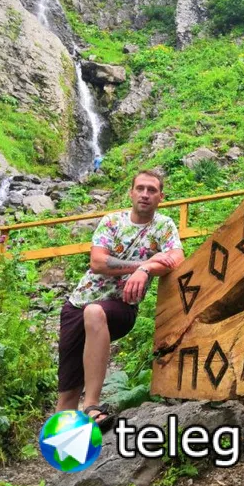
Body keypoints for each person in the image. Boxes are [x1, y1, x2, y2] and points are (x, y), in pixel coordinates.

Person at [56, 170, 185, 428]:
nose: (145, 194)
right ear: (131, 193)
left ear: (161, 197)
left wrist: (145, 270)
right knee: (67, 392)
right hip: (77, 305)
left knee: (95, 312)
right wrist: (143, 263)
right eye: (140, 188)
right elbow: (97, 262)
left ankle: (91, 405)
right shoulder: (112, 221)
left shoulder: (164, 226)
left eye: (151, 190)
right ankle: (61, 447)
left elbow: (176, 259)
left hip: (121, 305)